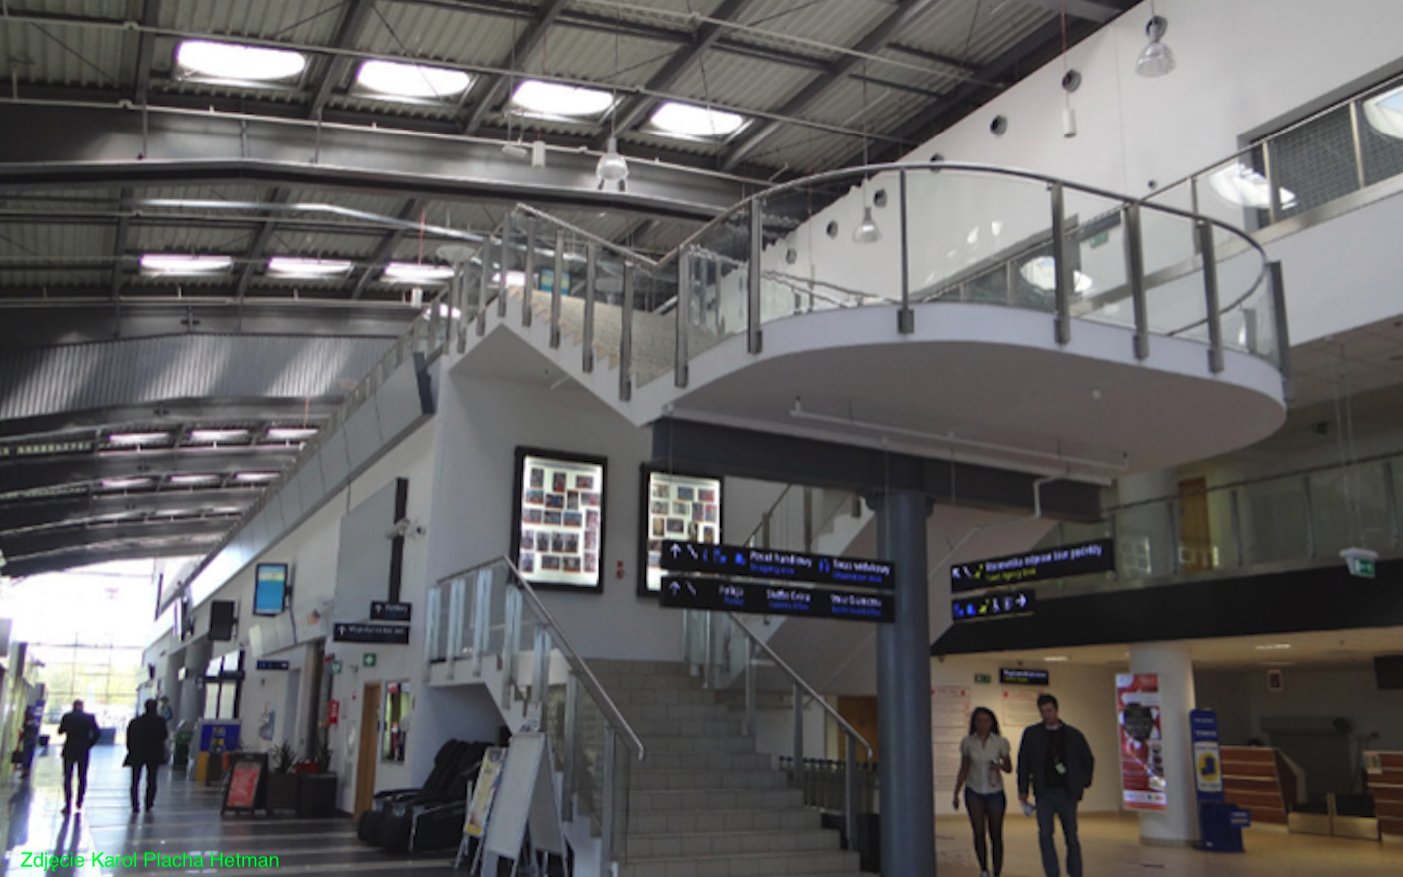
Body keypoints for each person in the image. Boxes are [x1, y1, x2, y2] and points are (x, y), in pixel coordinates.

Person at [1017, 694, 1095, 877]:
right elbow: (1024, 762)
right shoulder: (1032, 734)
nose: (1046, 715)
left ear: (1056, 710)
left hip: (1067, 792)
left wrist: (1082, 782)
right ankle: (1052, 872)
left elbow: (1087, 759)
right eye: (1043, 712)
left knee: (1072, 836)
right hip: (1044, 792)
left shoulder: (1072, 735)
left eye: (1049, 711)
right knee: (1045, 834)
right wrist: (1022, 789)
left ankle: (1075, 871)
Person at [952, 706, 1012, 877]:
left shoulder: (1000, 742)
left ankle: (997, 871)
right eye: (979, 721)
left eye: (986, 721)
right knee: (978, 832)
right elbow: (963, 768)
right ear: (974, 723)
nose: (982, 724)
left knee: (996, 833)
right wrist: (956, 792)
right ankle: (984, 869)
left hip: (995, 791)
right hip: (974, 790)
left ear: (992, 722)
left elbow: (1009, 767)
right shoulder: (968, 742)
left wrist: (999, 765)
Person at [125, 699, 169, 813]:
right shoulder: (160, 721)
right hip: (153, 754)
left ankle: (135, 805)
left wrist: (131, 750)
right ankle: (148, 803)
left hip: (137, 753)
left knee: (135, 780)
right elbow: (164, 736)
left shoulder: (135, 722)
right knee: (152, 779)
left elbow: (129, 739)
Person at [57, 700, 100, 814]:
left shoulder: (67, 716)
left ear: (73, 706)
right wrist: (89, 744)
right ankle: (80, 800)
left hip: (69, 748)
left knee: (67, 777)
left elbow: (60, 731)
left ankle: (68, 804)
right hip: (83, 749)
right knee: (82, 776)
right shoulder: (89, 718)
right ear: (82, 706)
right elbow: (97, 733)